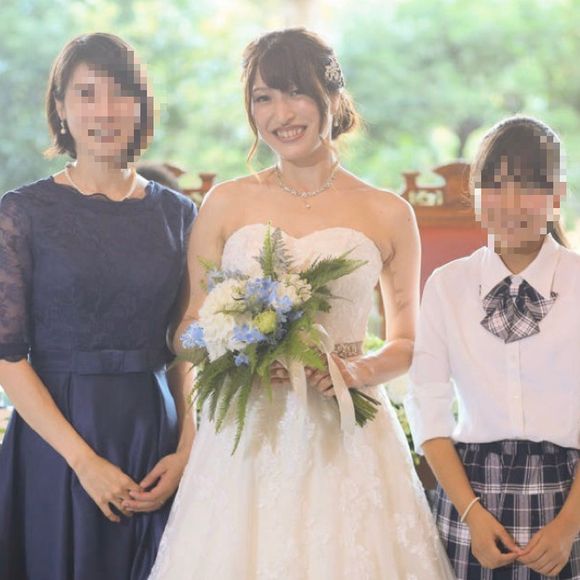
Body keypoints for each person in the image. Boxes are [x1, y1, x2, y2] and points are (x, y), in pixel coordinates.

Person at [148, 27, 454, 580]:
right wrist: (236, 347)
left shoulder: (388, 212)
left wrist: (356, 370)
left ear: (332, 97)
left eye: (296, 92)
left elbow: (408, 341)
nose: (281, 114)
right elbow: (186, 329)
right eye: (263, 97)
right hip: (244, 441)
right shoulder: (225, 203)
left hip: (348, 435)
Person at [0, 33, 196, 580]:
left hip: (154, 439)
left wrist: (186, 451)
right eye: (86, 93)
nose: (104, 111)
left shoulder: (180, 216)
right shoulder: (21, 213)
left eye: (119, 93)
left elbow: (189, 351)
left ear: (141, 107)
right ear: (60, 107)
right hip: (57, 440)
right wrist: (83, 461)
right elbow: (7, 357)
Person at [405, 115, 580, 579]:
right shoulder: (447, 285)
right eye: (496, 186)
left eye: (529, 185)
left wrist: (568, 526)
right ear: (476, 194)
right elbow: (428, 408)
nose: (511, 203)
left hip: (568, 496)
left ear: (557, 194)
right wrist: (471, 515)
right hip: (471, 497)